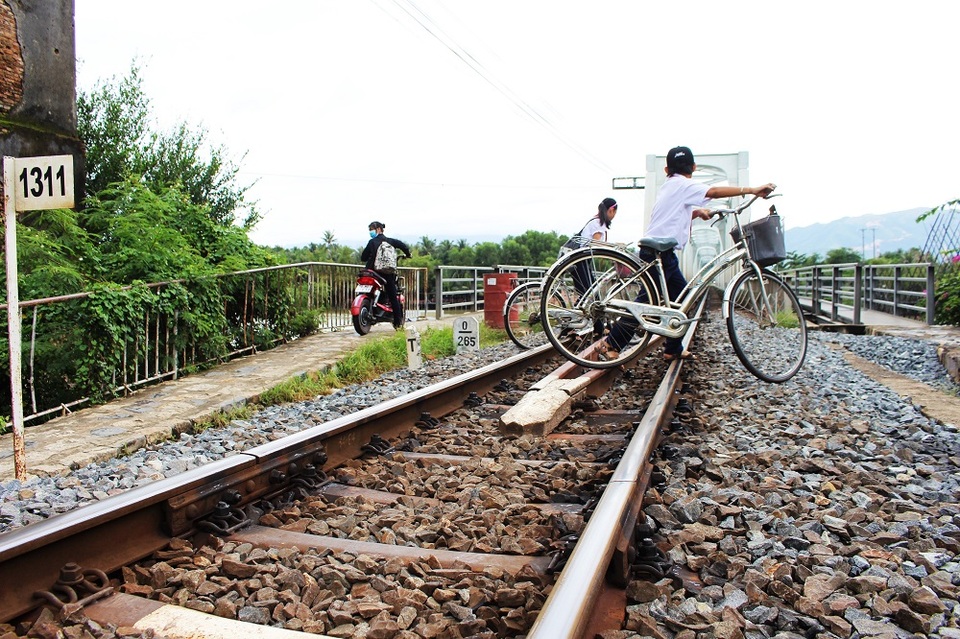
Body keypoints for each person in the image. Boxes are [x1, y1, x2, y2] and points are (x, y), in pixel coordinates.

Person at [602, 146, 775, 361]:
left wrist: (696, 212)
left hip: (662, 252)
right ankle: (612, 343)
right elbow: (712, 192)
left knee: (681, 298)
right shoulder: (684, 185)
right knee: (647, 302)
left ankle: (672, 348)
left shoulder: (671, 186)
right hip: (658, 253)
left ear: (666, 169)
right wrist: (751, 190)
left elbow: (672, 214)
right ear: (693, 167)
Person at [361, 221, 411, 329]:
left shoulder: (372, 242)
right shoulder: (390, 241)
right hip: (386, 273)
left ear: (378, 229)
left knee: (368, 289)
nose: (371, 232)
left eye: (371, 229)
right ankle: (398, 323)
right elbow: (402, 245)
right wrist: (408, 254)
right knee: (393, 296)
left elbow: (363, 258)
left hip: (372, 272)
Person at [565, 197, 618, 295]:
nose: (614, 215)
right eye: (615, 212)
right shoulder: (599, 223)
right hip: (581, 260)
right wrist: (614, 248)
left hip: (579, 260)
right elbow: (596, 243)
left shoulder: (596, 221)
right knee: (591, 295)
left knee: (586, 294)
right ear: (611, 210)